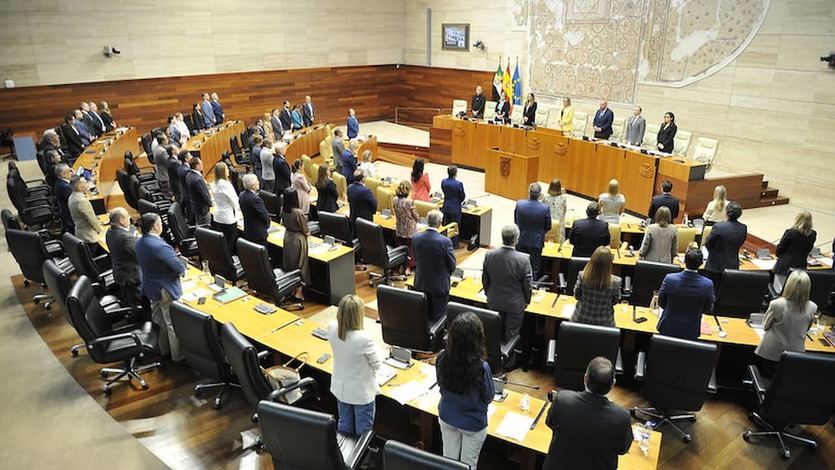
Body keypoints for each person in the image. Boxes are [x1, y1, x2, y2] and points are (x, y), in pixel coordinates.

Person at [542, 357, 633, 470]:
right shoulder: (622, 417)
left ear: (585, 378)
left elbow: (550, 422)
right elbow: (622, 449)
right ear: (613, 384)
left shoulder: (562, 399)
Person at [436, 312, 495, 469]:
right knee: (468, 465)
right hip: (473, 424)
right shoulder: (482, 367)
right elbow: (488, 397)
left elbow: (440, 385)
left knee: (448, 461)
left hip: (447, 416)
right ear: (477, 339)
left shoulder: (442, 358)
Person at [326, 295, 381, 435]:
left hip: (341, 388)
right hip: (361, 393)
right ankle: (362, 456)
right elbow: (377, 365)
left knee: (344, 426)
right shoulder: (364, 339)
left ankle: (346, 455)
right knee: (363, 432)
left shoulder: (332, 328)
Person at [135, 213, 186, 361]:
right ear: (155, 226)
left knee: (159, 321)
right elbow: (177, 268)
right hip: (165, 289)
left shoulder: (139, 242)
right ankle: (177, 356)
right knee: (172, 323)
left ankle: (164, 350)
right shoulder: (160, 246)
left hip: (150, 287)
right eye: (160, 223)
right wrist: (182, 264)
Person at [754, 270, 817, 378]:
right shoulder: (812, 307)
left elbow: (765, 326)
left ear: (788, 285)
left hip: (771, 353)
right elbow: (807, 328)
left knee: (767, 379)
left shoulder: (777, 304)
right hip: (796, 354)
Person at [483, 224, 533, 341]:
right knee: (511, 339)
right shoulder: (524, 259)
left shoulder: (490, 255)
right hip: (514, 305)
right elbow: (528, 286)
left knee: (493, 336)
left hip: (494, 301)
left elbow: (485, 279)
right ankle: (508, 359)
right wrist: (527, 300)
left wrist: (488, 294)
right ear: (516, 240)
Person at [656, 248, 714, 340]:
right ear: (701, 264)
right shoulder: (708, 284)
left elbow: (661, 302)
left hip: (667, 327)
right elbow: (708, 308)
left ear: (684, 261)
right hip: (691, 330)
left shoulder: (670, 279)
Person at [412, 210, 455, 319]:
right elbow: (452, 266)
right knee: (439, 318)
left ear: (427, 221)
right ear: (440, 222)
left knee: (423, 316)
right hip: (438, 285)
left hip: (421, 281)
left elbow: (416, 257)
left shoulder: (416, 237)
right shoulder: (445, 242)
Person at [572, 247, 622, 327]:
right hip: (605, 324)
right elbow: (615, 301)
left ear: (592, 260)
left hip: (580, 321)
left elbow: (576, 295)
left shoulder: (582, 276)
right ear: (610, 263)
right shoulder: (616, 282)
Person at [704, 201, 746, 290]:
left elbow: (708, 243)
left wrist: (713, 252)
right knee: (725, 292)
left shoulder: (719, 227)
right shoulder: (743, 228)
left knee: (712, 291)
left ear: (727, 213)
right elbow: (741, 243)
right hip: (732, 266)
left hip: (715, 265)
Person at [106, 207, 141, 308]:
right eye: (127, 217)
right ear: (121, 220)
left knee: (129, 299)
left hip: (120, 273)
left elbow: (127, 233)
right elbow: (141, 256)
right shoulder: (126, 239)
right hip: (132, 277)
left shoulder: (110, 231)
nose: (129, 218)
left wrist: (133, 233)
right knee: (138, 304)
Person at [773, 211, 816, 292]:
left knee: (779, 291)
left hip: (784, 267)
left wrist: (780, 255)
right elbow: (809, 249)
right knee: (794, 292)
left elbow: (779, 249)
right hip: (800, 267)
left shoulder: (791, 232)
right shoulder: (813, 234)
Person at [514, 183, 551, 279]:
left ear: (528, 192)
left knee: (518, 266)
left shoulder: (519, 204)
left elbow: (516, 221)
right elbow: (548, 226)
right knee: (533, 269)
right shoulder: (544, 208)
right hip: (536, 242)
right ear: (539, 195)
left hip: (521, 239)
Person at [281, 189, 310, 299]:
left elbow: (283, 223)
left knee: (290, 263)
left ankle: (292, 288)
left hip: (287, 237)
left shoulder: (283, 210)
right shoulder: (298, 212)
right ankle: (299, 291)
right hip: (298, 239)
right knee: (301, 264)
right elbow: (305, 228)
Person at [210, 162, 241, 255]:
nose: (228, 171)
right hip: (228, 217)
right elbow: (234, 201)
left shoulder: (213, 183)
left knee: (223, 241)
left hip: (218, 215)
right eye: (226, 169)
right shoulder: (226, 184)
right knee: (231, 242)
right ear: (223, 172)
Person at [68, 177, 103, 253]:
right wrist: (100, 230)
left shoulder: (72, 196)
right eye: (85, 183)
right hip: (89, 236)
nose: (88, 184)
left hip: (80, 232)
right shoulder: (81, 201)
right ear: (80, 187)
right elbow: (91, 219)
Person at [392, 180, 419, 272]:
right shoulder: (409, 202)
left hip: (399, 227)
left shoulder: (394, 199)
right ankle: (408, 267)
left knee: (400, 247)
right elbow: (415, 216)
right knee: (410, 249)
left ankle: (401, 265)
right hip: (409, 229)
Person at [239, 174, 270, 247]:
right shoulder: (256, 200)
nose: (259, 182)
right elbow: (265, 216)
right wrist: (267, 225)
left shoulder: (241, 195)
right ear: (253, 186)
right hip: (258, 234)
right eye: (257, 181)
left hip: (248, 231)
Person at [441, 165, 466, 245]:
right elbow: (462, 196)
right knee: (455, 226)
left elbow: (444, 191)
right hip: (455, 208)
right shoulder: (458, 184)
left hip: (446, 206)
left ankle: (444, 242)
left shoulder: (444, 181)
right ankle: (454, 244)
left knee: (446, 225)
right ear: (455, 173)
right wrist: (458, 202)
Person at [186, 157, 212, 226]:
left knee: (199, 225)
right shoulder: (197, 180)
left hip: (196, 207)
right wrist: (211, 203)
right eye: (201, 163)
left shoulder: (189, 175)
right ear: (197, 166)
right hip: (202, 209)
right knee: (205, 228)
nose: (202, 164)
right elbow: (204, 195)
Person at [542, 179, 566, 243]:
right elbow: (564, 211)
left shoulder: (545, 197)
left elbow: (542, 210)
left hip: (547, 223)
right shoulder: (563, 198)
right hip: (558, 224)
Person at [54, 164, 74, 233]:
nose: (72, 172)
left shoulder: (60, 182)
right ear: (63, 175)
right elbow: (75, 202)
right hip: (70, 216)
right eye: (69, 171)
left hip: (65, 211)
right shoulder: (65, 187)